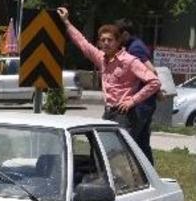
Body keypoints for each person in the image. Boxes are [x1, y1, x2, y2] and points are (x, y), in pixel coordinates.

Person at [58, 8, 159, 145]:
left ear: (118, 42)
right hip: (109, 112)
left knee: (117, 151)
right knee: (102, 148)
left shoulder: (130, 61)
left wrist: (132, 101)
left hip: (126, 115)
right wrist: (66, 22)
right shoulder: (101, 58)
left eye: (110, 40)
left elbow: (154, 82)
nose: (106, 43)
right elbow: (82, 43)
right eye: (103, 40)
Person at [116, 18, 157, 164]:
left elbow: (151, 71)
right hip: (146, 103)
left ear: (125, 34)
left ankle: (135, 176)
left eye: (117, 36)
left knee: (128, 141)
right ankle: (148, 174)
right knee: (142, 143)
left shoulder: (135, 48)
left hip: (141, 104)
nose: (116, 39)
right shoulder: (137, 44)